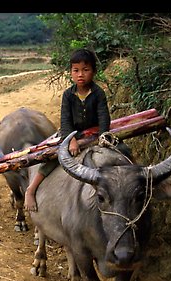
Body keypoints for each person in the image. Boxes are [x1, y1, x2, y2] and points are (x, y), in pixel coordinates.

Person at [24, 48, 111, 212]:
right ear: (70, 72)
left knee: (122, 151)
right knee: (51, 160)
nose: (80, 74)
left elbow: (103, 117)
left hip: (94, 134)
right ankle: (31, 189)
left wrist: (103, 136)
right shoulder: (68, 95)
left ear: (94, 72)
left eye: (85, 70)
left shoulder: (98, 93)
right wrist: (71, 140)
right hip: (71, 134)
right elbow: (65, 120)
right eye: (76, 70)